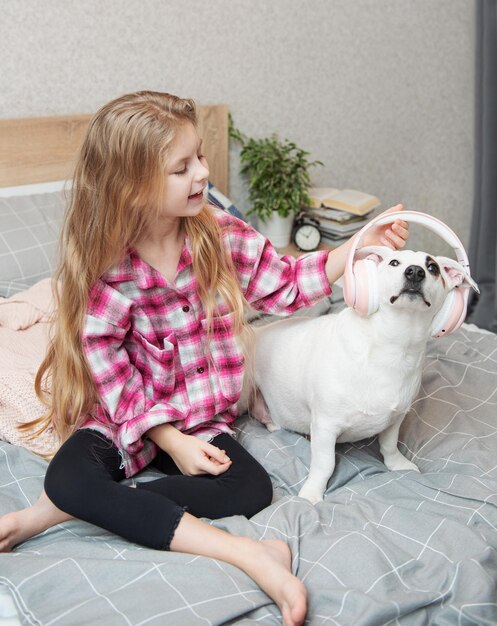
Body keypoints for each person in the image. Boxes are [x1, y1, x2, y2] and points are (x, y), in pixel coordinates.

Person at [0, 91, 408, 626]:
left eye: (201, 157)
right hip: (130, 424)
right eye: (183, 167)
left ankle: (70, 509)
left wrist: (355, 246)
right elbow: (114, 380)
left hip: (205, 420)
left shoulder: (220, 236)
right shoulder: (108, 274)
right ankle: (249, 554)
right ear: (131, 185)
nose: (203, 174)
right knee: (68, 478)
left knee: (252, 488)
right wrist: (170, 441)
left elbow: (285, 283)